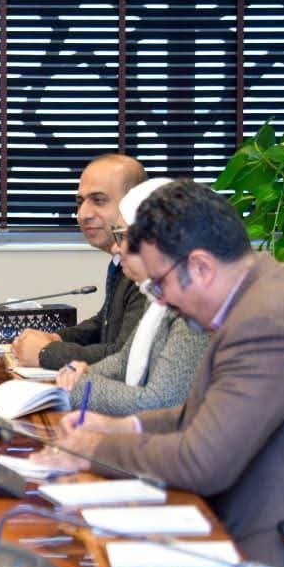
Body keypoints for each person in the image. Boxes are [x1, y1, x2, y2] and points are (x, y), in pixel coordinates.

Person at [32, 181, 284, 567]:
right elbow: (203, 414)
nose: (159, 299)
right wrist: (123, 426)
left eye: (160, 283)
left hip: (270, 557)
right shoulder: (257, 297)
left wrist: (93, 448)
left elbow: (200, 462)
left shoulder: (267, 321)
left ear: (201, 267)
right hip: (227, 526)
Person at [55, 178, 210, 416]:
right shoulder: (155, 295)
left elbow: (157, 403)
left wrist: (80, 387)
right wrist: (86, 372)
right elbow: (124, 361)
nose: (116, 248)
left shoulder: (192, 308)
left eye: (122, 235)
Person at [12, 153, 148, 369]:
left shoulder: (149, 270)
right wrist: (55, 337)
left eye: (98, 200)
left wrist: (46, 352)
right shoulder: (119, 262)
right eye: (80, 202)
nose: (83, 214)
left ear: (135, 203)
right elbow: (104, 324)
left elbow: (123, 357)